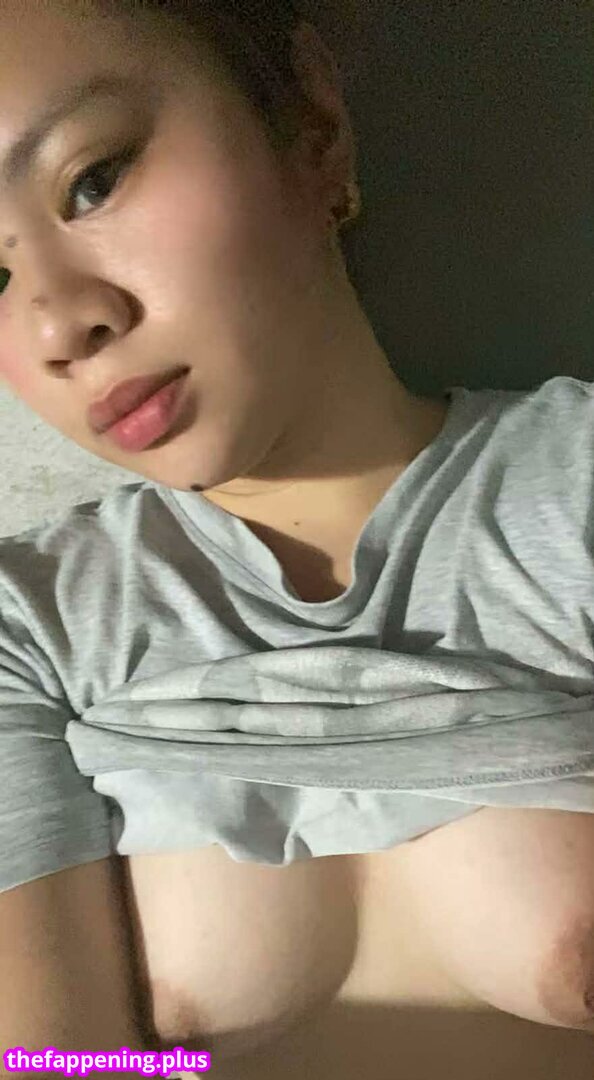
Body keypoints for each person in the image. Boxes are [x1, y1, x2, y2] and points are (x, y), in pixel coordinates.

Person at [0, 1, 593, 1075]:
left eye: (93, 181)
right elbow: (51, 1066)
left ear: (311, 121)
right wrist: (171, 1066)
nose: (56, 323)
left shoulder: (576, 493)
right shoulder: (28, 628)